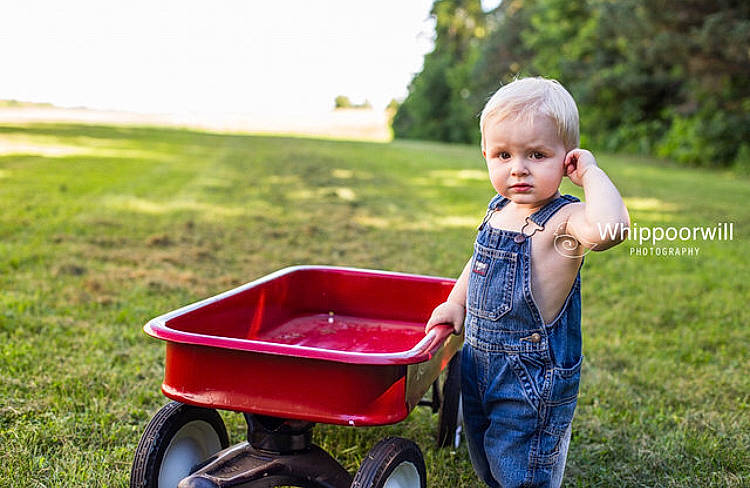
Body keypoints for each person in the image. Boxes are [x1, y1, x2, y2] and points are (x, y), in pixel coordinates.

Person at [425, 77, 629, 487]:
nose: (518, 167)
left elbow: (612, 228)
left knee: (522, 464)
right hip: (479, 362)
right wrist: (455, 302)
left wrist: (590, 172)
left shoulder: (564, 221)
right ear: (486, 155)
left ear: (565, 159)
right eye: (503, 155)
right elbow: (480, 258)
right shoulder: (499, 207)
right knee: (486, 451)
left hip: (531, 377)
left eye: (536, 154)